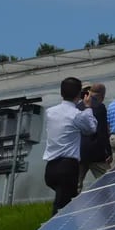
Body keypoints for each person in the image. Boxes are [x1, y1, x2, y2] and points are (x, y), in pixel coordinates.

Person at [43, 77, 97, 215]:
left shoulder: (50, 112)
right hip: (67, 168)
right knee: (63, 210)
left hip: (50, 168)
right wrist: (88, 108)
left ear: (61, 93)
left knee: (63, 203)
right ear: (79, 94)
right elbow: (91, 129)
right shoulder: (77, 115)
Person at [77, 83, 111, 192]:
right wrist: (108, 152)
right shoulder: (100, 107)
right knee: (108, 181)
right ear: (102, 95)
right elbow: (103, 132)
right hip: (96, 152)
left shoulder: (78, 106)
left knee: (76, 184)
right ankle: (108, 204)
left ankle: (71, 206)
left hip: (80, 151)